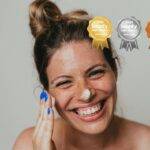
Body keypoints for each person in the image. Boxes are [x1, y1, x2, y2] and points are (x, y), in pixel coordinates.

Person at [13, 0, 150, 149]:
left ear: (114, 70)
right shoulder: (26, 145)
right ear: (47, 93)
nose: (86, 93)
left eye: (95, 73)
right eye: (64, 82)